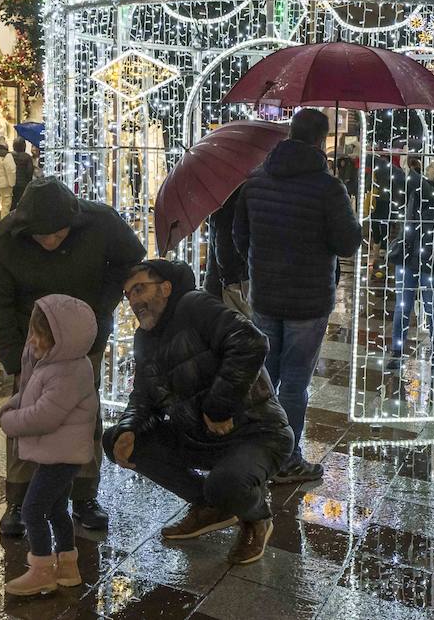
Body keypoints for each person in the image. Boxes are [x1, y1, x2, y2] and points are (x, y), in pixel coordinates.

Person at [0, 176, 146, 536]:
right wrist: (12, 358)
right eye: (41, 236)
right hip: (31, 341)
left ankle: (84, 495)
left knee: (83, 414)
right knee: (27, 414)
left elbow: (131, 258)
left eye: (58, 234)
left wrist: (100, 309)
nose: (50, 241)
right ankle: (18, 501)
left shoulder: (101, 222)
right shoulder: (6, 239)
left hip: (85, 338)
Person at [105, 261, 293, 567]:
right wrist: (129, 428)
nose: (134, 301)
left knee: (227, 483)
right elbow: (143, 396)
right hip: (198, 438)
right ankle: (211, 507)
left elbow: (250, 343)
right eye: (128, 295)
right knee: (116, 441)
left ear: (165, 288)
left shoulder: (195, 305)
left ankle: (255, 517)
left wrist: (219, 406)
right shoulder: (144, 338)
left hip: (255, 432)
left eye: (140, 289)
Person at [233, 108, 362, 484]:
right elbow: (347, 243)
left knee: (266, 377)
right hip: (308, 301)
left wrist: (263, 265)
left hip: (266, 295)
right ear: (322, 141)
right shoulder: (328, 188)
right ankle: (287, 457)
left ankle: (260, 448)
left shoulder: (255, 181)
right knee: (294, 381)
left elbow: (241, 238)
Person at [0, 295, 99, 596]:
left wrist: (10, 421)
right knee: (55, 509)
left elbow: (45, 416)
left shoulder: (67, 371)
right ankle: (68, 565)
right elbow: (32, 395)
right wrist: (13, 406)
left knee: (32, 509)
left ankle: (41, 569)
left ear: (60, 339)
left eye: (37, 334)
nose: (32, 339)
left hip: (62, 456)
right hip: (58, 452)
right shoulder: (56, 364)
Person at [386, 156, 434, 370]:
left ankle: (403, 352)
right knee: (414, 306)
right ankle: (400, 351)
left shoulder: (433, 191)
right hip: (418, 257)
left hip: (422, 258)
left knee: (420, 306)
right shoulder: (421, 188)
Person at [204, 187, 248, 315]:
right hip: (231, 286)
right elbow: (225, 247)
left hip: (218, 284)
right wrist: (232, 280)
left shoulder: (221, 199)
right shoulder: (235, 200)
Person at [11, 137, 37, 209]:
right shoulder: (27, 157)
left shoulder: (10, 155)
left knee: (12, 203)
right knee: (22, 202)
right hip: (23, 184)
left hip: (12, 183)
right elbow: (29, 171)